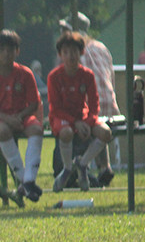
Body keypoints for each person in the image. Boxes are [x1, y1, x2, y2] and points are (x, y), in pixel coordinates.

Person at [0, 30, 45, 202]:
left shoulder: (26, 73)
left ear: (17, 51)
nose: (6, 53)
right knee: (1, 131)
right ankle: (23, 179)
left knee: (37, 129)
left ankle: (29, 180)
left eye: (10, 49)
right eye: (1, 49)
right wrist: (8, 119)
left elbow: (33, 104)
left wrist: (20, 117)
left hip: (22, 116)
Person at [47, 31, 114, 192]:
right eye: (66, 52)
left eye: (75, 51)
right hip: (62, 118)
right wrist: (76, 123)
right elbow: (55, 108)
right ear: (60, 55)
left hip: (82, 117)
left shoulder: (87, 75)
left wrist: (87, 121)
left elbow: (94, 104)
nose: (71, 56)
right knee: (66, 133)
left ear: (81, 52)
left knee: (106, 133)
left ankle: (82, 164)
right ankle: (67, 169)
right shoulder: (54, 77)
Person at [61, 12, 120, 186]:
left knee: (86, 116)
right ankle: (105, 166)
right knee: (100, 120)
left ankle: (78, 166)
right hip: (111, 106)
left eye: (64, 29)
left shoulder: (72, 53)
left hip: (88, 109)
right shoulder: (102, 47)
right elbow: (112, 79)